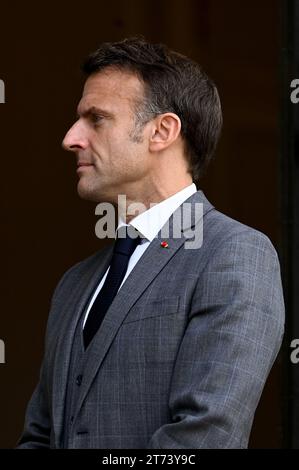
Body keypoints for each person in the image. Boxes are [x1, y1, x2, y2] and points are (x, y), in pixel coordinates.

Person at [17, 37, 285, 449]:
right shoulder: (75, 283)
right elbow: (38, 435)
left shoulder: (235, 255)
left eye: (97, 119)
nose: (70, 138)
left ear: (162, 131)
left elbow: (205, 437)